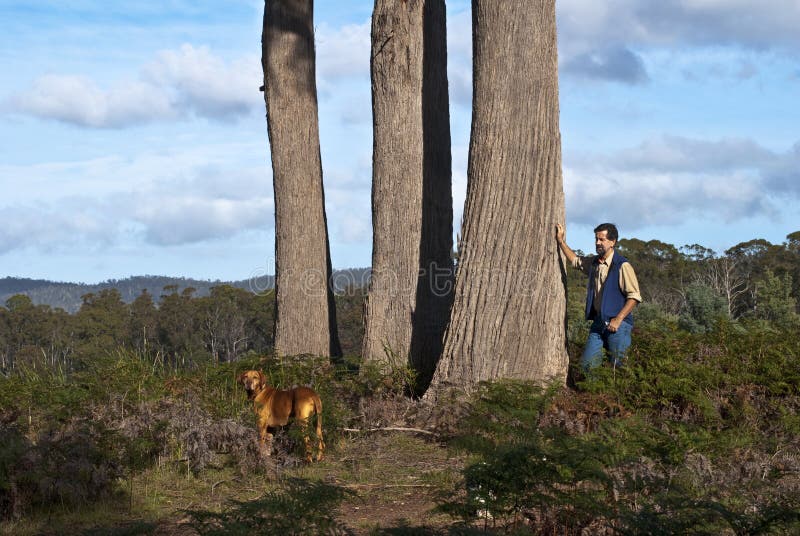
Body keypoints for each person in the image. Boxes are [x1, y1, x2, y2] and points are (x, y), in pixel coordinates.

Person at [556, 223, 642, 371]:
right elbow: (576, 261)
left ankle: (617, 394)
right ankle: (592, 393)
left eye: (601, 239)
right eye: (596, 239)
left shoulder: (622, 265)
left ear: (613, 241)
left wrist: (618, 319)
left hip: (618, 325)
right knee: (588, 366)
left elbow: (634, 297)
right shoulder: (595, 263)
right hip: (598, 323)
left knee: (619, 368)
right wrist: (561, 242)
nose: (597, 243)